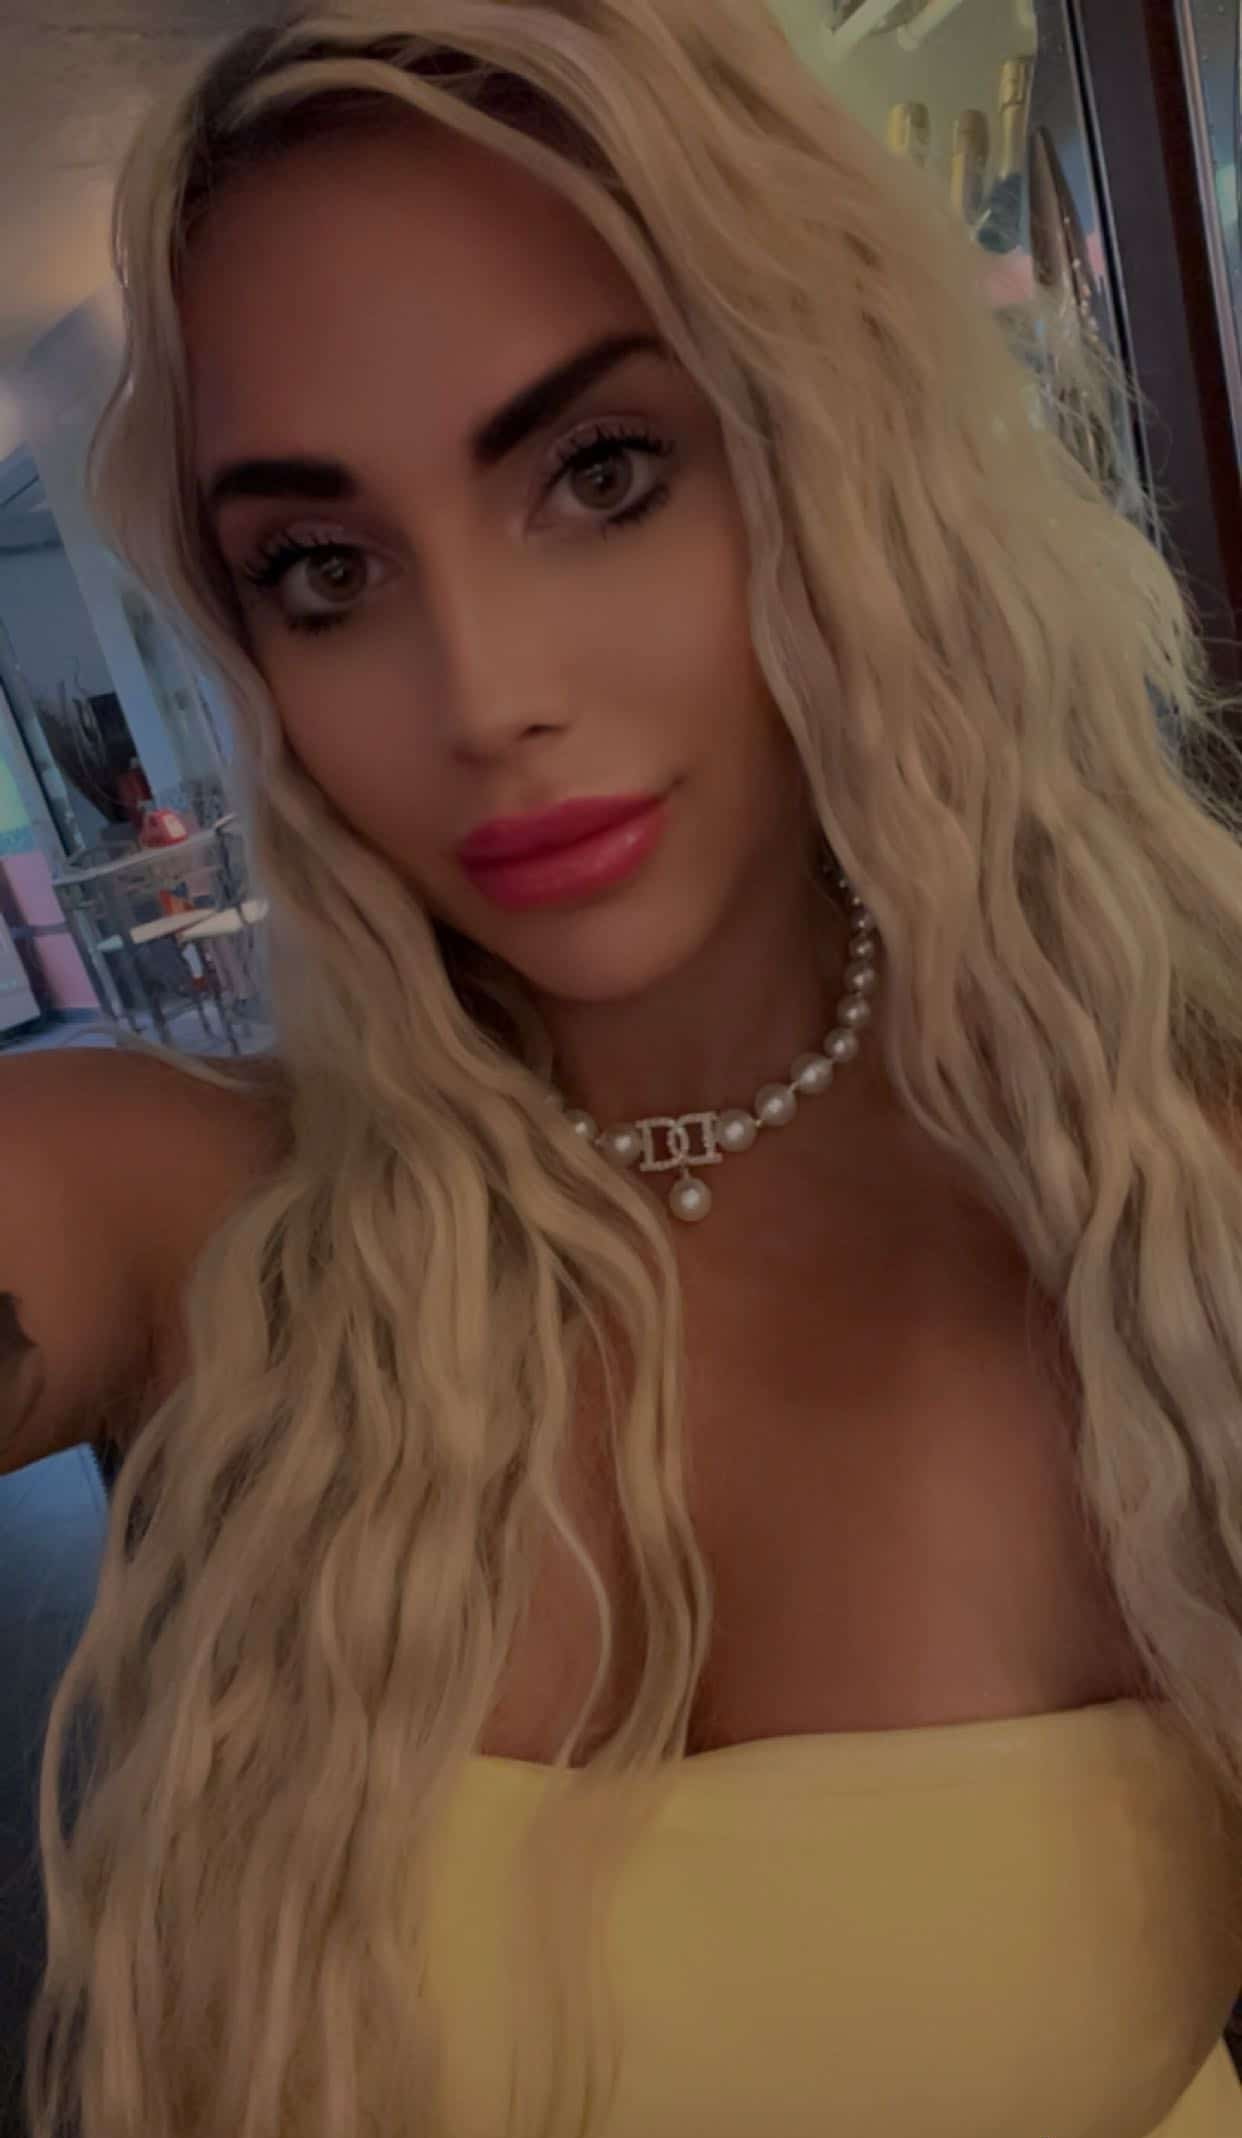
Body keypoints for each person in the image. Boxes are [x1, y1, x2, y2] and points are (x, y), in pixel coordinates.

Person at [6, 2, 1242, 2131]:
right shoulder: (177, 1205)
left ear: (831, 454)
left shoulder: (1175, 1203)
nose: (483, 691)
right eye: (324, 570)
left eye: (599, 472)